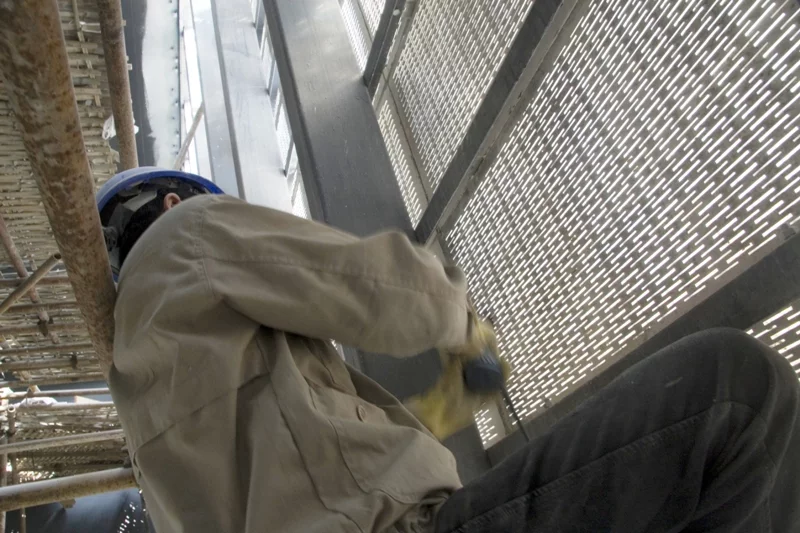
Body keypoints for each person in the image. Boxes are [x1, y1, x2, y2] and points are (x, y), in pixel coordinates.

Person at [100, 167, 800, 533]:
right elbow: (369, 287)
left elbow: (307, 453)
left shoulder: (149, 387)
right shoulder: (185, 236)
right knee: (736, 393)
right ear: (170, 200)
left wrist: (439, 409)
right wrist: (462, 324)